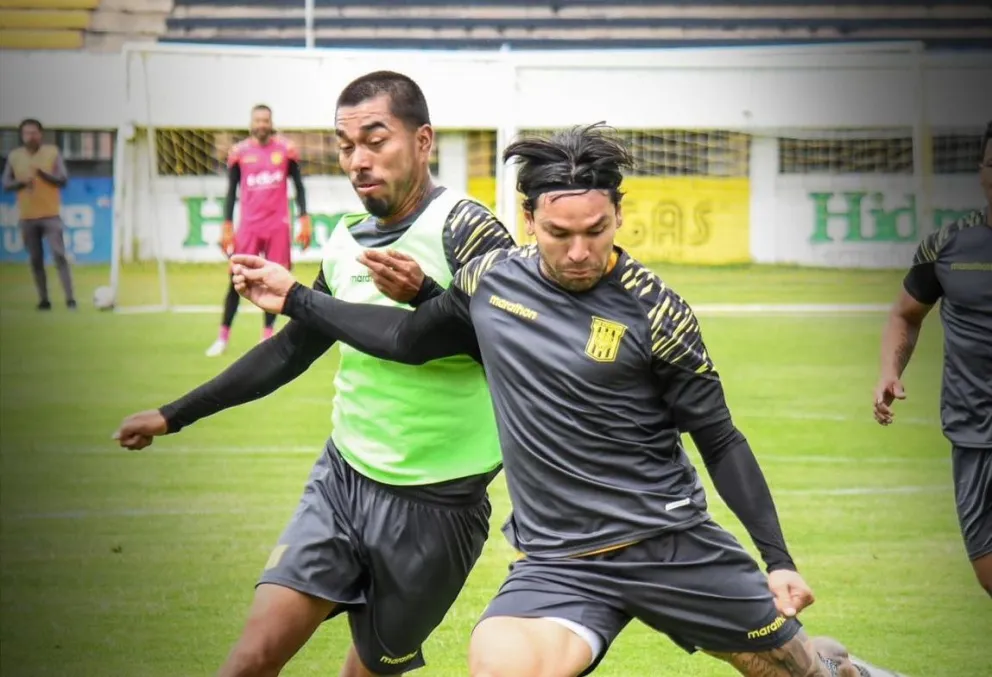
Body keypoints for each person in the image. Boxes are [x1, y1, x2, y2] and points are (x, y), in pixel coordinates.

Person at [231, 124, 907, 677]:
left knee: (795, 671)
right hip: (557, 562)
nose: (580, 250)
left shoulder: (658, 312)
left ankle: (846, 668)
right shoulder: (489, 279)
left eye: (597, 229)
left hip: (670, 545)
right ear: (529, 219)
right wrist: (298, 298)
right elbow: (408, 337)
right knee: (498, 666)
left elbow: (720, 438)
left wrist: (779, 559)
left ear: (618, 215)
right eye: (560, 233)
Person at [113, 71, 515, 676]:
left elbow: (509, 350)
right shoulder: (343, 241)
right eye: (346, 146)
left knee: (365, 672)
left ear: (424, 141)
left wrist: (426, 296)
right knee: (251, 657)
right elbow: (290, 350)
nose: (358, 160)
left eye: (376, 140)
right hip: (343, 482)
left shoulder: (469, 231)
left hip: (441, 505)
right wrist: (174, 414)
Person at [874, 121, 992, 598]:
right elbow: (906, 313)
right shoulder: (946, 246)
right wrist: (889, 370)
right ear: (981, 171)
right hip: (973, 430)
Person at [205, 104, 313, 357]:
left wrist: (304, 217)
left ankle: (267, 336)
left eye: (266, 120)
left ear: (271, 122)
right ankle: (222, 337)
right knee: (236, 279)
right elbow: (231, 191)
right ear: (251, 123)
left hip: (278, 225)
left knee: (274, 280)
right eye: (258, 120)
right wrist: (227, 225)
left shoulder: (286, 150)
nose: (262, 124)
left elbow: (299, 186)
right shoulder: (239, 153)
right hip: (250, 226)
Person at [1, 118, 75, 311]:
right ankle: (44, 300)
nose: (30, 137)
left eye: (34, 133)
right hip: (27, 216)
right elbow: (6, 184)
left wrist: (43, 174)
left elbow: (63, 179)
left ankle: (70, 299)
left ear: (40, 134)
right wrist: (22, 182)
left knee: (59, 255)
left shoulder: (52, 153)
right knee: (35, 259)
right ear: (21, 135)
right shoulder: (15, 156)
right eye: (26, 133)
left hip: (50, 215)